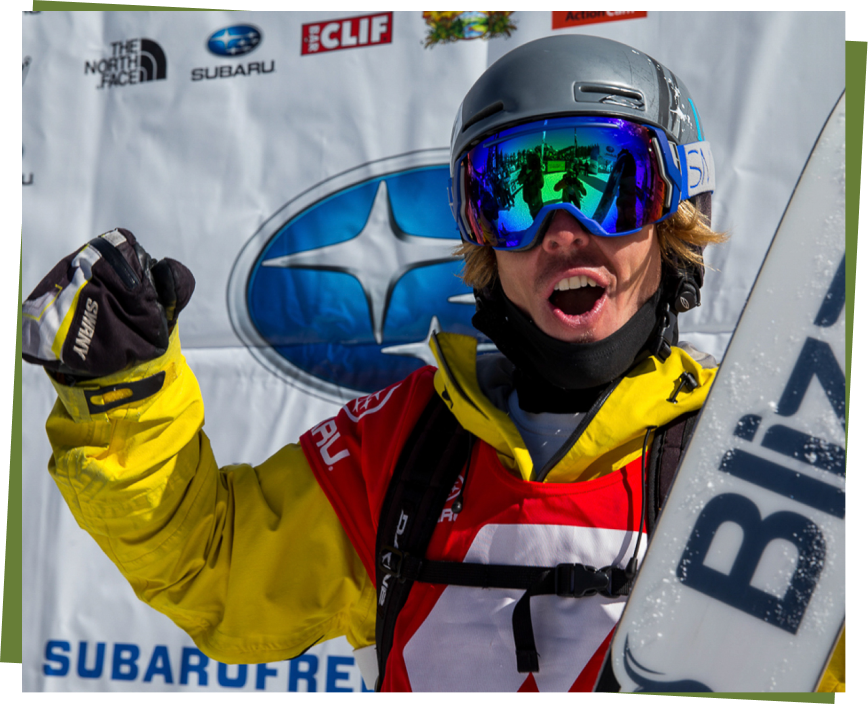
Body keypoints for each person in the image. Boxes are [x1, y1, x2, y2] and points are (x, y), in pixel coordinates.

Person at [23, 35, 844, 693]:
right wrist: (125, 397)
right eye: (513, 194)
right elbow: (219, 566)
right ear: (476, 232)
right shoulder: (409, 443)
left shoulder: (752, 463)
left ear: (676, 210)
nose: (561, 228)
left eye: (606, 184)